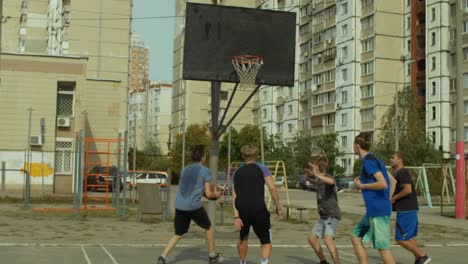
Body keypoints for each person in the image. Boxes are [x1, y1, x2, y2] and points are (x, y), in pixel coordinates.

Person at [157, 145, 222, 264]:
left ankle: (162, 257)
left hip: (180, 205)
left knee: (178, 233)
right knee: (208, 227)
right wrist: (216, 196)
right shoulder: (205, 171)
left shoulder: (185, 169)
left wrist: (211, 195)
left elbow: (196, 190)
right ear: (203, 157)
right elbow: (208, 193)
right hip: (193, 205)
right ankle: (212, 256)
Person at [232, 144, 283, 264]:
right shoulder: (262, 168)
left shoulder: (237, 172)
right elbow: (272, 188)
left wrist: (236, 216)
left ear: (243, 156)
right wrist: (278, 207)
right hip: (258, 208)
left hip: (242, 208)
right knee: (266, 241)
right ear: (256, 155)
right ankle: (264, 262)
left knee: (243, 238)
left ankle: (242, 262)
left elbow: (235, 195)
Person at [351, 133, 396, 264]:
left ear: (357, 146)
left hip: (378, 212)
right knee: (355, 238)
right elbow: (393, 181)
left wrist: (361, 186)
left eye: (353, 145)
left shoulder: (369, 162)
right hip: (374, 210)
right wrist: (387, 200)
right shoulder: (376, 160)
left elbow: (383, 183)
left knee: (383, 248)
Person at [390, 151, 431, 264]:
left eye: (393, 157)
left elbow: (408, 190)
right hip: (408, 209)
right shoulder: (399, 173)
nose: (391, 159)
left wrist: (394, 198)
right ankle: (418, 259)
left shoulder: (402, 172)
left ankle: (422, 256)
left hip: (406, 210)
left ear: (400, 160)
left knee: (400, 239)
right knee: (408, 237)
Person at [304, 152, 341, 264]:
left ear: (318, 168)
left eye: (313, 168)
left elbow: (332, 182)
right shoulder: (319, 179)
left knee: (327, 239)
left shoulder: (328, 177)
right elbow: (317, 183)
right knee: (311, 238)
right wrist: (309, 178)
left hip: (331, 215)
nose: (312, 170)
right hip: (323, 216)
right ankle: (323, 261)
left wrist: (316, 174)